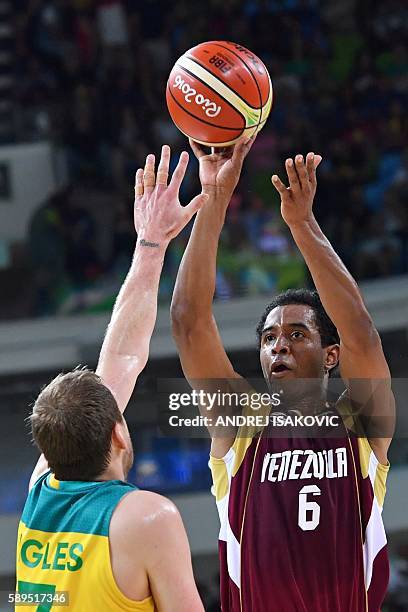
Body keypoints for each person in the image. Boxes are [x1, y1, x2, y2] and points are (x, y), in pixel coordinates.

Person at [171, 139, 395, 611]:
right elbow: (189, 321)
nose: (279, 345)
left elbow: (362, 335)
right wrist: (214, 197)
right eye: (270, 338)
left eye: (297, 334)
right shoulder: (240, 427)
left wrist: (303, 224)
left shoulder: (359, 423)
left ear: (330, 356)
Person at [16, 145, 206, 612]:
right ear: (118, 431)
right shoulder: (145, 516)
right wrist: (152, 241)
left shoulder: (41, 495)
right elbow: (119, 359)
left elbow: (120, 358)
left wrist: (151, 245)